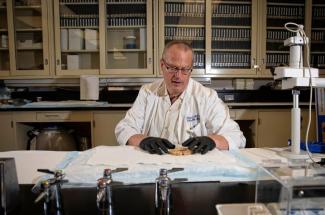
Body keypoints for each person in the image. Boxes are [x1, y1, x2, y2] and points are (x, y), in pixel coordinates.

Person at [115, 41, 246, 154]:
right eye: (172, 68)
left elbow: (236, 137)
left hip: (193, 168)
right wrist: (143, 140)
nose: (178, 76)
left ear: (191, 70)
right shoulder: (148, 92)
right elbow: (124, 128)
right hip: (153, 163)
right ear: (162, 65)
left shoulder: (207, 97)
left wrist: (212, 141)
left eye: (185, 69)